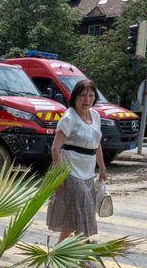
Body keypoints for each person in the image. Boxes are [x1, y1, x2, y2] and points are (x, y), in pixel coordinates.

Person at [46, 79, 108, 249]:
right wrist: (58, 177)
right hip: (70, 172)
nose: (87, 99)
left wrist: (102, 168)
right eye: (83, 95)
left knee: (72, 218)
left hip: (88, 173)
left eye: (91, 95)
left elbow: (97, 143)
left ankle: (57, 253)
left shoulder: (95, 116)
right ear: (74, 97)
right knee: (83, 212)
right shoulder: (69, 118)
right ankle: (82, 253)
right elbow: (55, 148)